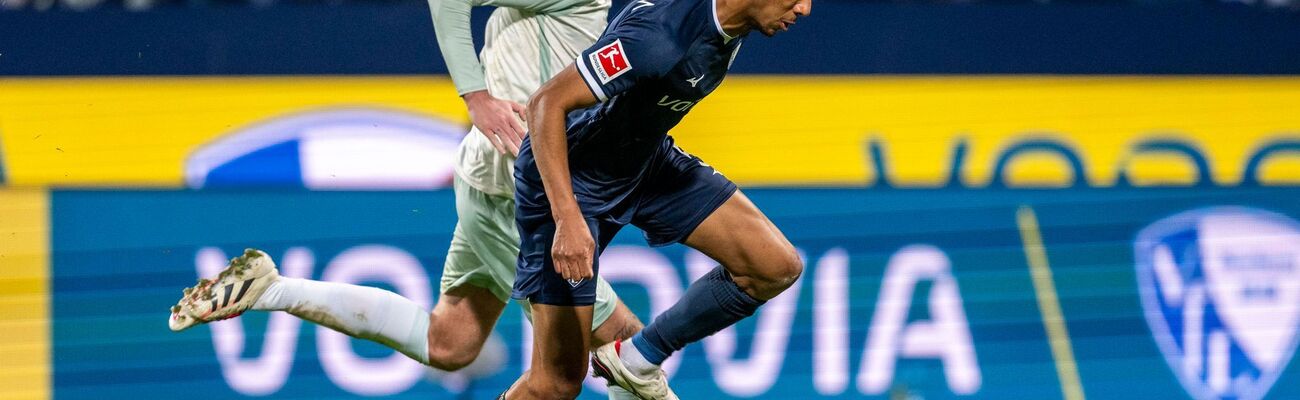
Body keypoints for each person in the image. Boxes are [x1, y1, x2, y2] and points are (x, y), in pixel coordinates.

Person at [166, 0, 671, 396]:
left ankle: (269, 290)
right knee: (621, 344)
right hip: (512, 196)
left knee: (450, 341)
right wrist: (476, 97)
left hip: (491, 181)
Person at [502, 0, 811, 397]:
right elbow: (546, 103)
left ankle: (636, 358)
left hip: (645, 161)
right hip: (574, 176)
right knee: (556, 384)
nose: (804, 9)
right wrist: (567, 217)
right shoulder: (658, 35)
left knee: (775, 266)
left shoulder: (734, 27)